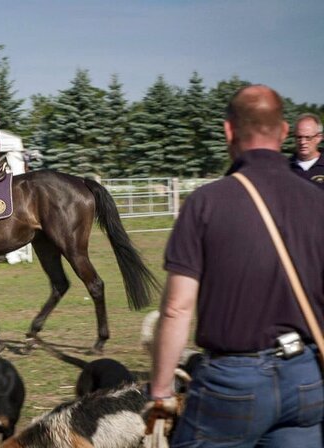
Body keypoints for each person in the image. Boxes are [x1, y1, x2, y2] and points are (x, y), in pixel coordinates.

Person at [148, 85, 324, 446]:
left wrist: (162, 389)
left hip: (233, 382)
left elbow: (177, 308)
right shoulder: (317, 202)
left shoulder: (206, 202)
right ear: (285, 131)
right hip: (306, 377)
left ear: (228, 131)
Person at [289, 113, 324, 187]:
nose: (302, 142)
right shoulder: (286, 167)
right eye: (299, 137)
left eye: (308, 137)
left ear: (319, 138)